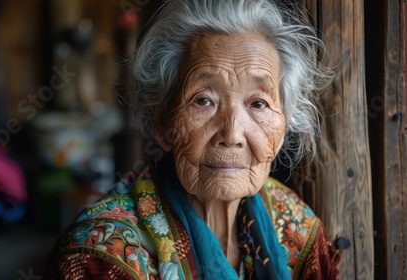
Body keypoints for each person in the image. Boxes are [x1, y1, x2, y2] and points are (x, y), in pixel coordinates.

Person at [44, 0, 341, 279]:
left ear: (284, 123)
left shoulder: (297, 230)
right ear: (163, 123)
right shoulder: (100, 261)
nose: (232, 135)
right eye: (204, 100)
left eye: (258, 104)